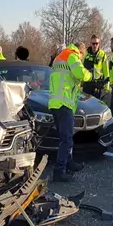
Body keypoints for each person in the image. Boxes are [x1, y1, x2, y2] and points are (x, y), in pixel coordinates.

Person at [48, 42, 91, 182]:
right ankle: (59, 171)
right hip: (64, 103)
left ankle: (69, 162)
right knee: (66, 139)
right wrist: (91, 75)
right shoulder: (72, 56)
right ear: (81, 52)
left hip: (55, 103)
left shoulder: (59, 57)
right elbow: (81, 73)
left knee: (65, 137)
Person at [82, 34, 110, 101]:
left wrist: (107, 87)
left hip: (97, 85)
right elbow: (81, 67)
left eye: (96, 43)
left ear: (99, 44)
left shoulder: (102, 55)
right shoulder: (85, 53)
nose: (95, 45)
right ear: (91, 43)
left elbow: (106, 71)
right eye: (93, 43)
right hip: (87, 84)